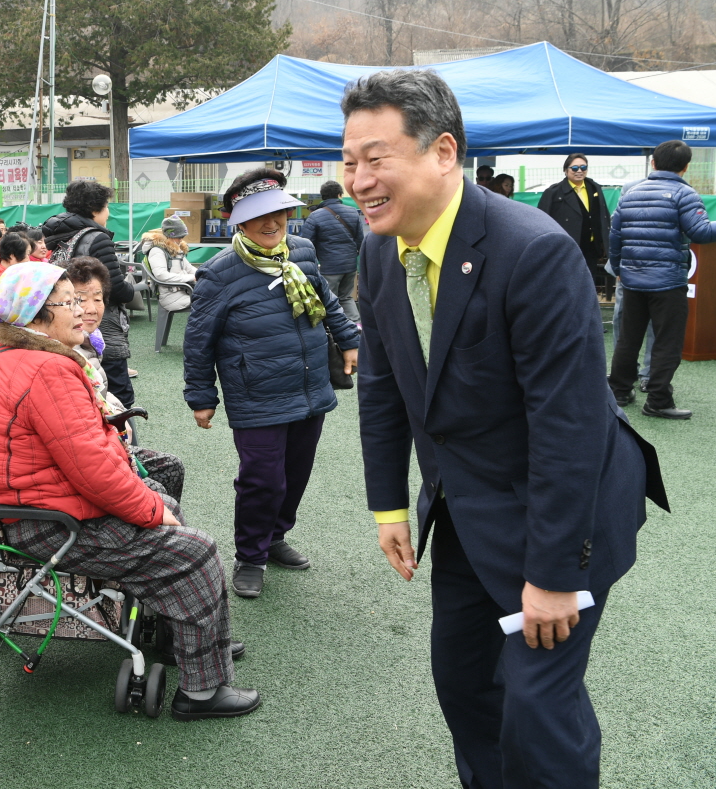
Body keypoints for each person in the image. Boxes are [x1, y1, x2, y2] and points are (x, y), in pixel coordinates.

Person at [343, 68, 668, 789]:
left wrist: (553, 577)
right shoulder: (378, 248)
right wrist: (389, 505)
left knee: (536, 707)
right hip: (466, 506)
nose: (358, 179)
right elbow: (383, 384)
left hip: (561, 510)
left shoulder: (533, 250)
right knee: (462, 685)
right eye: (348, 161)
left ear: (443, 152)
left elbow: (570, 423)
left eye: (376, 158)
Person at [0, 262, 258, 720]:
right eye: (69, 302)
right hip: (49, 524)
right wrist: (149, 508)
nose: (81, 310)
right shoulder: (45, 368)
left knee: (163, 493)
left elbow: (89, 459)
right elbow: (94, 471)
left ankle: (188, 639)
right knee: (195, 552)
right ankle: (201, 693)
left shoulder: (9, 353)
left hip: (35, 510)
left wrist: (147, 496)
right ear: (37, 316)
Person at [184, 169, 360, 599]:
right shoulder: (220, 273)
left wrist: (349, 340)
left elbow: (325, 299)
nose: (271, 223)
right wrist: (202, 396)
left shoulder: (301, 250)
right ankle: (251, 555)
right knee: (263, 479)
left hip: (308, 385)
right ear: (238, 223)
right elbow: (198, 339)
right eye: (259, 216)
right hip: (256, 393)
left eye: (279, 212)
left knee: (296, 473)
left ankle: (276, 537)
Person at [608, 139, 716, 419]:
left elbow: (615, 236)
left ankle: (618, 392)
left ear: (653, 163)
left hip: (632, 281)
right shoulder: (685, 194)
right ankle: (658, 400)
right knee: (667, 342)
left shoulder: (630, 193)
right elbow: (702, 232)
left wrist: (619, 269)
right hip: (667, 283)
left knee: (628, 340)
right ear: (686, 167)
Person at [66, 255, 186, 499]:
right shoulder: (60, 354)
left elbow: (100, 393)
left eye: (98, 299)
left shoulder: (88, 341)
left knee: (171, 468)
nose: (90, 308)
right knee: (157, 491)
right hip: (82, 466)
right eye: (79, 299)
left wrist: (116, 414)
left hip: (103, 446)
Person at [41, 180, 139, 407]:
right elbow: (114, 287)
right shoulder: (97, 237)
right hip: (100, 320)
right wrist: (132, 290)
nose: (108, 213)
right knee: (116, 386)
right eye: (106, 207)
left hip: (69, 315)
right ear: (95, 209)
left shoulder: (61, 235)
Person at [537, 153, 612, 290]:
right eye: (575, 168)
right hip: (566, 249)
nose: (579, 171)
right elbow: (541, 222)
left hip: (591, 248)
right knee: (567, 286)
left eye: (583, 167)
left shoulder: (594, 188)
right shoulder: (553, 192)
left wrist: (604, 245)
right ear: (566, 170)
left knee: (588, 286)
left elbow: (603, 216)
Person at [299, 179, 366, 323]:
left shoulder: (315, 216)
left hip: (329, 268)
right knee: (346, 297)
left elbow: (306, 244)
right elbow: (360, 240)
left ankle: (334, 332)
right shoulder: (353, 213)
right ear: (339, 194)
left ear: (322, 196)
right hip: (350, 267)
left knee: (329, 300)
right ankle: (356, 327)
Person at [141, 217, 199, 313]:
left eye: (182, 237)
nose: (181, 239)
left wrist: (202, 274)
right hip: (170, 297)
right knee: (209, 302)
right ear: (170, 235)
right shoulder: (157, 250)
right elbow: (161, 275)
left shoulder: (175, 248)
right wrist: (191, 277)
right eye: (179, 236)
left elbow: (189, 268)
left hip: (184, 291)